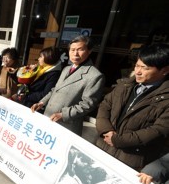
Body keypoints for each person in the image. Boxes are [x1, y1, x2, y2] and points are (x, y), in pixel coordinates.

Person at [95, 43, 169, 171]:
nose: (138, 72)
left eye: (145, 68)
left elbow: (158, 130)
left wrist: (119, 140)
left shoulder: (166, 98)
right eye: (137, 66)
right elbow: (105, 105)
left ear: (165, 70)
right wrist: (106, 130)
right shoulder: (125, 85)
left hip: (131, 160)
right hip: (102, 148)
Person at [31, 35, 105, 135]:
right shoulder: (66, 69)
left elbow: (88, 104)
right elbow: (55, 89)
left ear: (89, 51)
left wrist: (64, 114)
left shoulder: (95, 75)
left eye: (80, 50)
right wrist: (41, 103)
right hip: (49, 117)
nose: (75, 53)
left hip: (66, 124)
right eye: (72, 50)